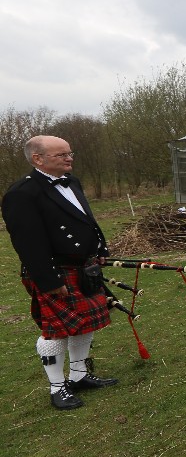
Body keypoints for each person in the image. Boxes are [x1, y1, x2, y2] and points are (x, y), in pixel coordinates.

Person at [2, 136, 118, 411]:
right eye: (61, 155)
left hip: (82, 266)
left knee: (84, 324)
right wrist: (48, 280)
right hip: (55, 271)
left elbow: (87, 220)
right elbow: (27, 243)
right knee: (55, 331)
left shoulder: (72, 181)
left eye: (70, 153)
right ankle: (57, 387)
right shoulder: (22, 193)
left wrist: (100, 248)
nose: (69, 158)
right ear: (38, 159)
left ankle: (79, 375)